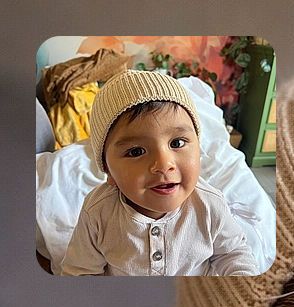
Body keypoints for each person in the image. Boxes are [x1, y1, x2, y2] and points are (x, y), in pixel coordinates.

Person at [60, 69, 258, 276]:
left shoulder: (209, 205)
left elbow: (233, 255)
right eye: (136, 151)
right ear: (108, 170)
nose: (164, 164)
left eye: (177, 143)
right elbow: (80, 272)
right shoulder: (98, 213)